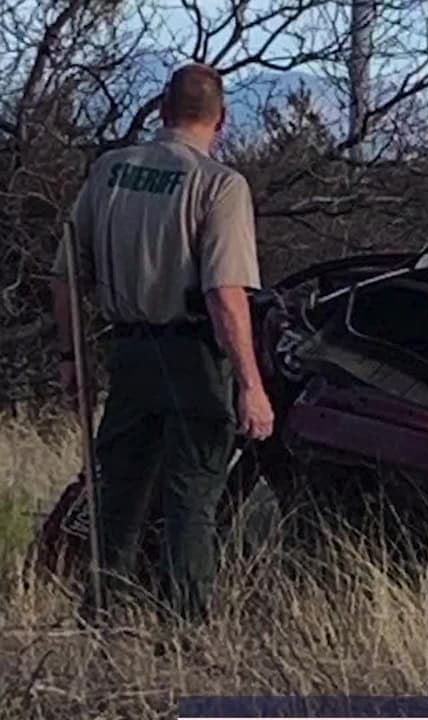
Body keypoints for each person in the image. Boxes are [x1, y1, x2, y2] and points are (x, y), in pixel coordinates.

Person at [51, 63, 275, 629]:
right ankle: (185, 632)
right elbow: (225, 293)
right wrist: (251, 385)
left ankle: (103, 620)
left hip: (128, 355)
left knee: (118, 498)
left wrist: (71, 358)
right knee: (191, 502)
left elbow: (66, 275)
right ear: (221, 119)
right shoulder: (219, 185)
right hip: (194, 360)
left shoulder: (109, 171)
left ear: (162, 110)